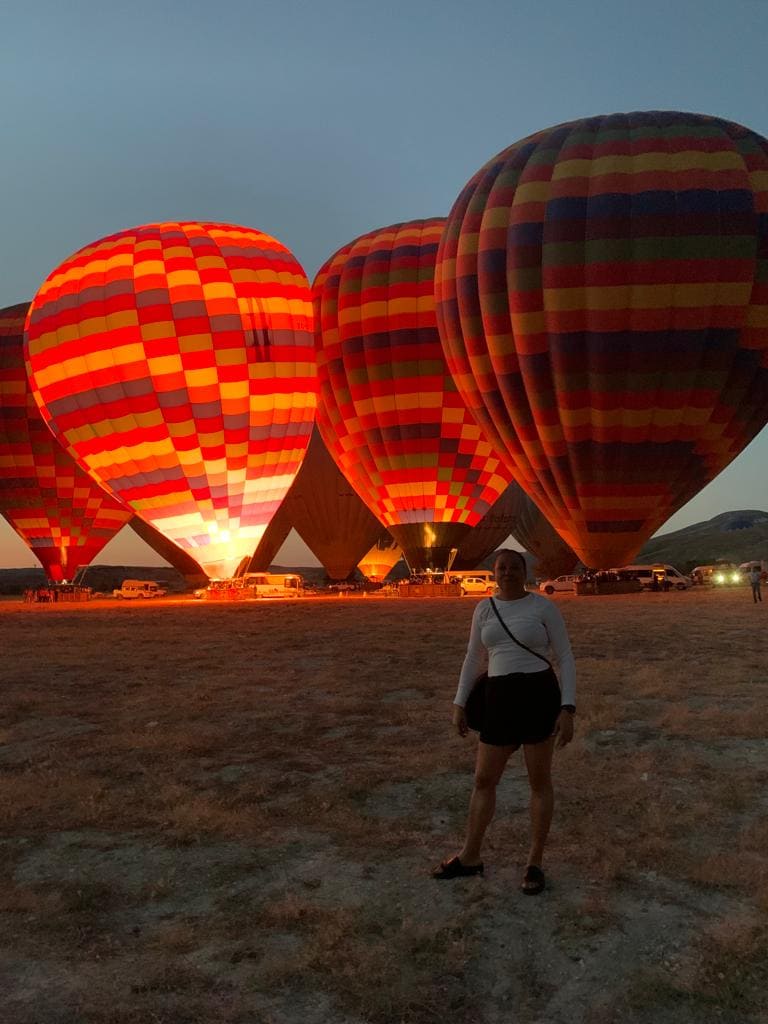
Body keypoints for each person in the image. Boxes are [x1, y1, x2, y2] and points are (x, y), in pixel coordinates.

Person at [433, 548, 576, 894]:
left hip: (538, 695)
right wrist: (459, 702)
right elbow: (472, 658)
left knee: (539, 781)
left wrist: (568, 708)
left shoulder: (542, 606)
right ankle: (470, 856)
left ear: (524, 572)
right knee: (484, 779)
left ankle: (534, 863)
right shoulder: (483, 608)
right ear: (493, 573)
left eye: (514, 567)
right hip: (498, 698)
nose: (508, 572)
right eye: (501, 567)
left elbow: (566, 657)